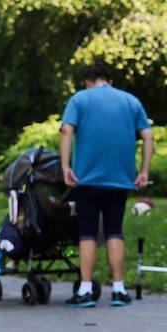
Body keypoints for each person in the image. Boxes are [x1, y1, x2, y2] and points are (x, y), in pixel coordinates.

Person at [60, 61, 154, 308]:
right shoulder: (130, 101)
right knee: (114, 230)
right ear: (110, 81)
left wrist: (65, 167)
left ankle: (86, 290)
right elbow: (148, 135)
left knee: (87, 232)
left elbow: (67, 131)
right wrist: (143, 170)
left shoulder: (79, 99)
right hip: (120, 179)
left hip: (87, 178)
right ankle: (119, 290)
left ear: (87, 82)